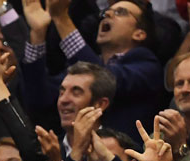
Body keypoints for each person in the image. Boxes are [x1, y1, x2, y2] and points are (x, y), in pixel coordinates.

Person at [20, 0, 164, 133]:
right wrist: (38, 34)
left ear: (139, 34)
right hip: (77, 155)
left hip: (122, 157)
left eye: (120, 12)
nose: (106, 14)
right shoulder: (83, 64)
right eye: (105, 12)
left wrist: (62, 19)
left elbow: (103, 79)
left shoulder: (147, 66)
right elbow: (39, 99)